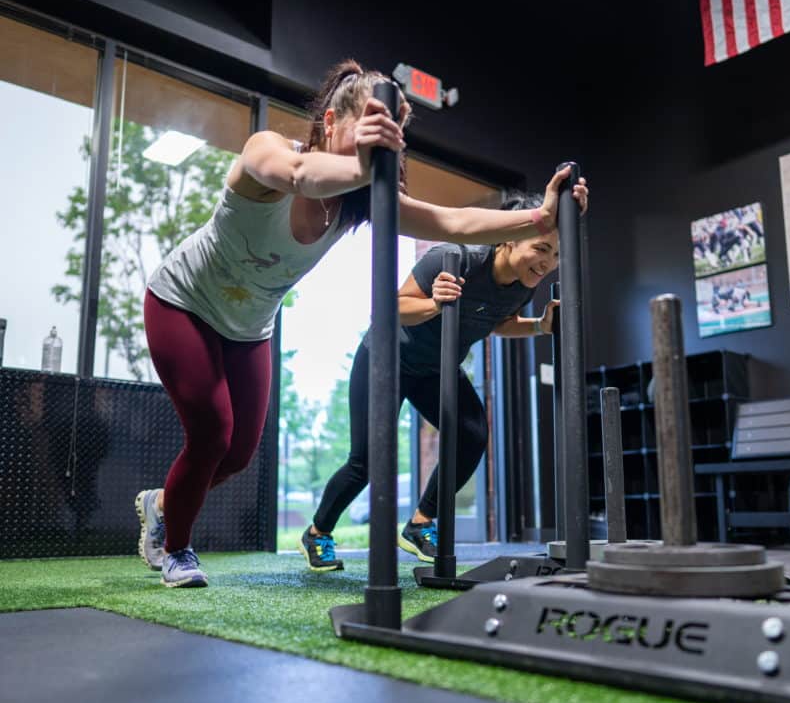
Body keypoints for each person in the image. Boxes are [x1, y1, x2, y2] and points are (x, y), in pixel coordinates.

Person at [133, 59, 589, 588]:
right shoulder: (269, 151)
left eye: (384, 142)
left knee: (235, 456)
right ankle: (176, 549)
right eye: (363, 136)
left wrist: (540, 217)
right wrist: (368, 167)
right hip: (182, 302)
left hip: (249, 327)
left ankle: (162, 502)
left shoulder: (357, 200)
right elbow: (301, 177)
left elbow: (453, 221)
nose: (370, 155)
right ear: (329, 123)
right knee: (212, 432)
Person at [298, 189, 582, 570]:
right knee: (367, 460)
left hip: (435, 368)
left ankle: (420, 523)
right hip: (387, 357)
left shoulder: (523, 285)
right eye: (542, 249)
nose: (547, 263)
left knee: (472, 434)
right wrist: (434, 304)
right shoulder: (455, 259)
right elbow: (390, 308)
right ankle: (317, 532)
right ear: (510, 237)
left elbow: (496, 322)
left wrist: (540, 327)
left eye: (557, 256)